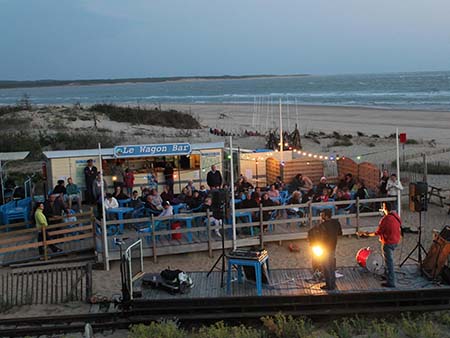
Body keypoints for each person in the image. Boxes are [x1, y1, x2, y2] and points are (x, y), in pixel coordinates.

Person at [359, 202, 402, 288]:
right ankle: (387, 276)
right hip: (395, 241)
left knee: (389, 262)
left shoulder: (385, 219)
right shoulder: (396, 216)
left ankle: (391, 282)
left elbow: (378, 232)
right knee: (388, 260)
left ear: (385, 208)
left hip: (388, 242)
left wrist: (366, 234)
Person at [314, 209, 342, 291]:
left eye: (322, 215)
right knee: (331, 266)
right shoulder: (336, 222)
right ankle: (332, 284)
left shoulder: (322, 225)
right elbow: (340, 233)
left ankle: (329, 286)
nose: (321, 217)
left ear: (326, 216)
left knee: (326, 267)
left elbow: (319, 238)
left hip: (324, 248)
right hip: (333, 246)